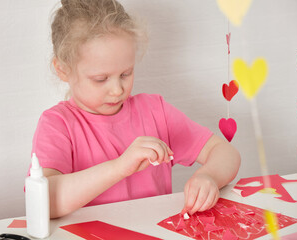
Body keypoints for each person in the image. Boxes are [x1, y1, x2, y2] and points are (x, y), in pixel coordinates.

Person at [31, 0, 241, 219]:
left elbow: (227, 153)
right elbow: (44, 202)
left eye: (126, 73)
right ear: (63, 70)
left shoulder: (154, 111)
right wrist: (120, 167)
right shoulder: (58, 124)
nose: (117, 89)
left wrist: (209, 176)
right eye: (100, 79)